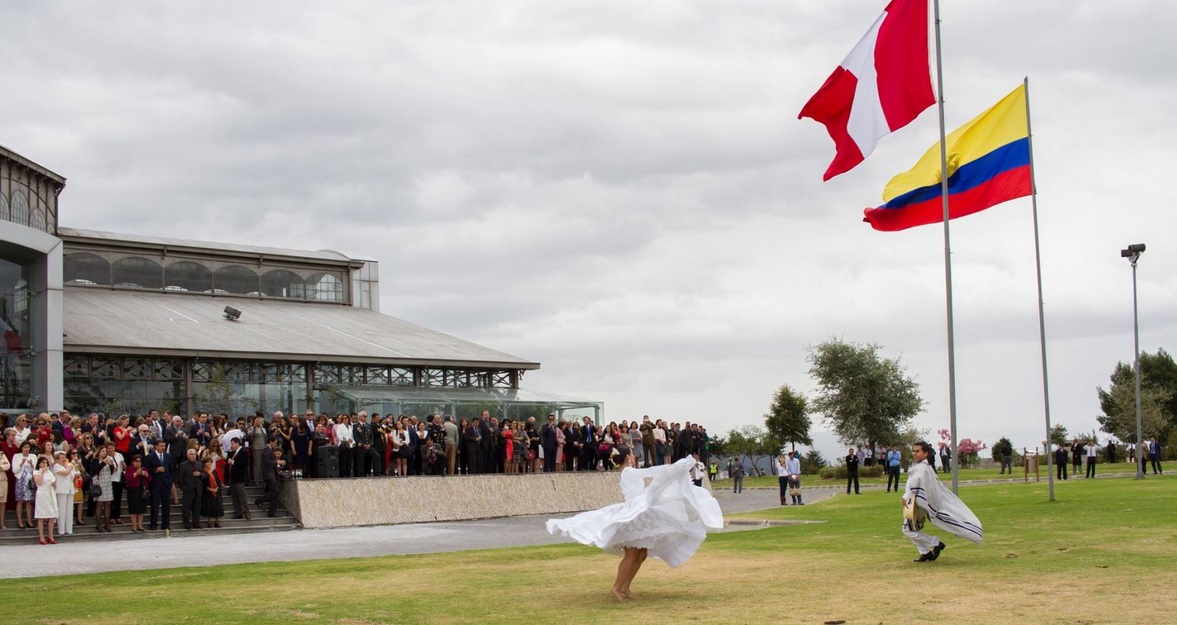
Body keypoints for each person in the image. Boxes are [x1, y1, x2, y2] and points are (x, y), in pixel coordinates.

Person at [546, 455, 723, 601]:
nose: (633, 457)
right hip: (633, 515)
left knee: (641, 554)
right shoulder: (628, 471)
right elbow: (652, 472)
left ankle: (625, 586)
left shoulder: (629, 471)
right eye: (631, 455)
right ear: (627, 458)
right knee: (632, 554)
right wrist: (676, 466)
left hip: (640, 512)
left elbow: (652, 473)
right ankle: (617, 587)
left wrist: (676, 468)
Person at [901, 441, 983, 562]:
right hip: (917, 502)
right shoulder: (923, 467)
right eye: (914, 451)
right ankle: (925, 552)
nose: (914, 453)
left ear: (925, 453)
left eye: (917, 451)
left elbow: (914, 485)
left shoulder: (923, 469)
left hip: (917, 503)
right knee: (911, 529)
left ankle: (935, 543)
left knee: (907, 529)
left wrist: (906, 497)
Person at [144, 439, 173, 531]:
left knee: (166, 505)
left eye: (164, 446)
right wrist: (156, 469)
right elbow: (146, 469)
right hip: (155, 484)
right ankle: (153, 524)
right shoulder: (150, 457)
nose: (163, 448)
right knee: (155, 505)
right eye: (161, 446)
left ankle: (166, 524)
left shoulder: (168, 456)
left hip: (166, 484)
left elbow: (171, 469)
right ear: (156, 446)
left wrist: (170, 480)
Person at [90, 445, 116, 533]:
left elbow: (110, 472)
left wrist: (112, 465)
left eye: (105, 451)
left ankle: (107, 524)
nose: (104, 453)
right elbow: (95, 470)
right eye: (103, 451)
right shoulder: (95, 461)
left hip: (107, 483)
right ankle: (98, 524)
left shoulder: (108, 459)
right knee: (99, 504)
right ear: (99, 452)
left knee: (108, 504)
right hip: (99, 483)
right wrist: (103, 463)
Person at [33, 456, 58, 544]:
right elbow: (39, 482)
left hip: (50, 493)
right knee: (41, 515)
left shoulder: (49, 472)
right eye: (43, 462)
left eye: (46, 463)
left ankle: (50, 536)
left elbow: (54, 482)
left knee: (51, 515)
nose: (45, 464)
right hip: (42, 494)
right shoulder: (36, 472)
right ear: (39, 463)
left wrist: (54, 484)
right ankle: (41, 537)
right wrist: (42, 472)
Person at [177, 448, 203, 530]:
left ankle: (196, 523)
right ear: (188, 456)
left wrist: (200, 474)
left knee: (197, 507)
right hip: (188, 489)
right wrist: (184, 488)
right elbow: (180, 479)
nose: (193, 456)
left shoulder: (199, 464)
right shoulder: (183, 465)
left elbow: (205, 475)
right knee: (186, 508)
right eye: (191, 454)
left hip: (197, 489)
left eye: (194, 454)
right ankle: (186, 523)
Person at [52, 451, 77, 536]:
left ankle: (69, 529)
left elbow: (73, 475)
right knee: (62, 510)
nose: (64, 459)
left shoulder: (67, 465)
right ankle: (61, 530)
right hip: (61, 490)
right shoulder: (56, 466)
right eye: (61, 458)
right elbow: (65, 473)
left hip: (70, 489)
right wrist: (70, 467)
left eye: (64, 457)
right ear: (57, 459)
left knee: (69, 510)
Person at [124, 454, 150, 532]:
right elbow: (127, 479)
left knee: (141, 509)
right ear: (133, 462)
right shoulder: (129, 469)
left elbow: (150, 479)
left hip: (142, 490)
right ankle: (134, 525)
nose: (138, 462)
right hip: (132, 490)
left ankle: (140, 525)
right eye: (136, 461)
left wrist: (146, 475)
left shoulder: (144, 469)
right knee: (133, 508)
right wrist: (135, 474)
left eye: (140, 461)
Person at [227, 438, 251, 520]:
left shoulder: (243, 452)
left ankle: (246, 512)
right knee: (234, 497)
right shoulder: (234, 453)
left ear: (237, 443)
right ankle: (238, 513)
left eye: (232, 444)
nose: (231, 446)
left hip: (239, 478)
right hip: (233, 478)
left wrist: (233, 462)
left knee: (241, 496)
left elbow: (244, 464)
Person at [200, 458, 224, 528]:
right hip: (207, 492)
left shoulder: (214, 471)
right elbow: (203, 483)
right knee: (209, 507)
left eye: (210, 462)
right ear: (204, 463)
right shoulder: (203, 472)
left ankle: (217, 522)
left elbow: (218, 481)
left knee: (217, 506)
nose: (209, 463)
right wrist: (209, 489)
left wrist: (217, 488)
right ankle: (209, 522)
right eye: (207, 462)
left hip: (216, 491)